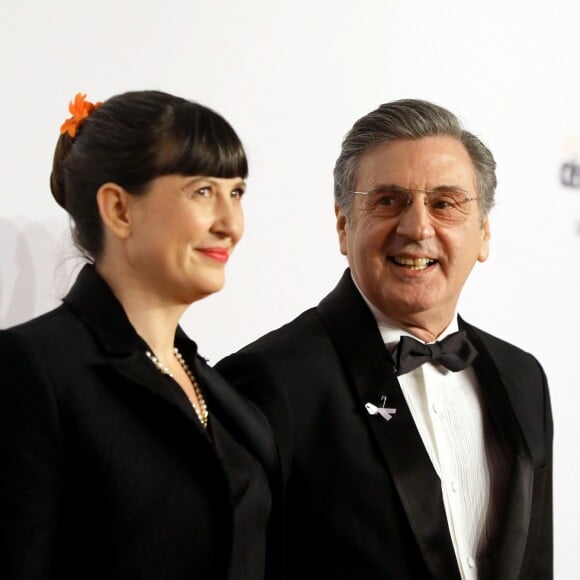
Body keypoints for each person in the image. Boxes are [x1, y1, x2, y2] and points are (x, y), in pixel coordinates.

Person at [217, 99, 553, 580]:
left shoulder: (524, 377)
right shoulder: (264, 382)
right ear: (343, 225)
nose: (417, 228)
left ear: (483, 233)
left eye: (444, 203)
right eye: (388, 201)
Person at [0, 90, 282, 580]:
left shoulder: (214, 386)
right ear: (119, 209)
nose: (230, 224)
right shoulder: (30, 369)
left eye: (236, 193)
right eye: (202, 191)